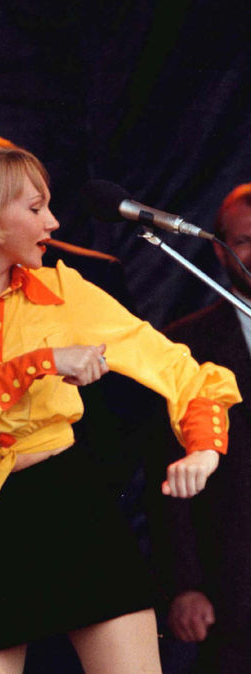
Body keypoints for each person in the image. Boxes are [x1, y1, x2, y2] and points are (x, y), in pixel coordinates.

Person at [0, 144, 240, 673]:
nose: (52, 221)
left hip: (73, 509)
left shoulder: (64, 291)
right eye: (35, 207)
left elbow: (177, 368)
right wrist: (42, 363)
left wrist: (204, 448)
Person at [146, 183, 251, 673]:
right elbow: (164, 471)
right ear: (219, 250)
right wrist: (184, 585)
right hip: (233, 589)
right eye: (244, 240)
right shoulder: (186, 344)